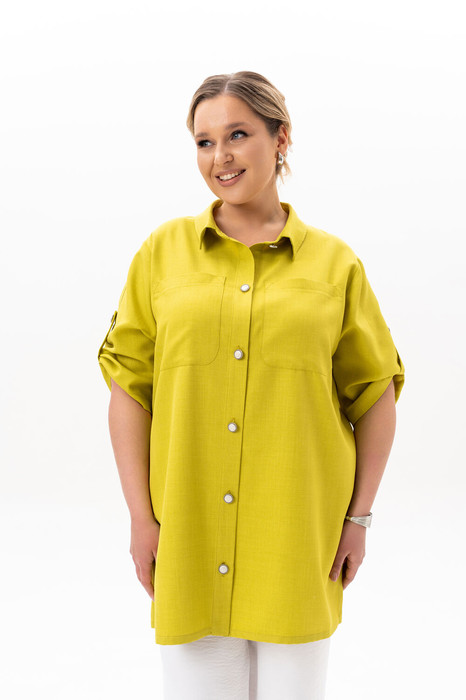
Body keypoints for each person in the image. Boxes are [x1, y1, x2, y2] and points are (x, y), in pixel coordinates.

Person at [98, 70, 405, 699]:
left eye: (238, 134)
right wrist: (140, 519)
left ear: (280, 138)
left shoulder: (335, 264)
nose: (221, 156)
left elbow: (375, 394)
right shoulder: (161, 253)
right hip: (187, 537)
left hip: (298, 541)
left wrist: (359, 519)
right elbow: (129, 388)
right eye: (204, 142)